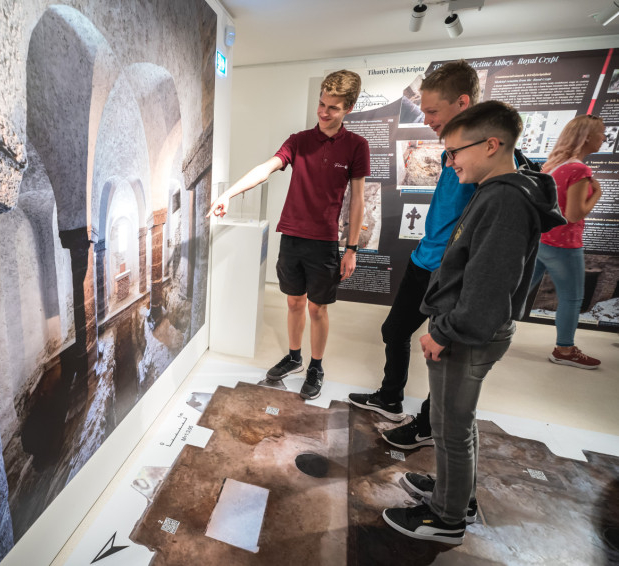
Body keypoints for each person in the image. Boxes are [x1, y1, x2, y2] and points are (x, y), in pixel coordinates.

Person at [382, 100, 565, 544]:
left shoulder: (504, 199)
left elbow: (488, 285)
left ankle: (445, 518)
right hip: (468, 328)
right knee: (457, 424)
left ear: (491, 145)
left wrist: (445, 331)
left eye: (455, 152)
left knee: (449, 429)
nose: (450, 162)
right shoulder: (499, 190)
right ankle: (456, 495)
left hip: (465, 332)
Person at [207, 70, 369, 400]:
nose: (324, 112)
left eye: (333, 108)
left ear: (349, 108)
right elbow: (266, 168)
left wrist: (352, 248)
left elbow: (357, 200)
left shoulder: (356, 146)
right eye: (321, 104)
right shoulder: (299, 140)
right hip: (292, 236)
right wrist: (229, 193)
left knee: (317, 309)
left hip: (324, 242)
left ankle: (316, 366)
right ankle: (295, 357)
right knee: (294, 302)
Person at [348, 60, 479, 449]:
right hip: (424, 260)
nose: (426, 118)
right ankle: (390, 398)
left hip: (449, 272)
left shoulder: (484, 157)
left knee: (442, 355)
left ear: (462, 102)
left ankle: (426, 425)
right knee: (394, 330)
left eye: (433, 110)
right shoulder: (452, 150)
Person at [529, 114, 604, 369]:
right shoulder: (579, 170)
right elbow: (573, 214)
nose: (604, 137)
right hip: (564, 244)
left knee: (519, 290)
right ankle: (564, 349)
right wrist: (597, 193)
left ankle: (487, 330)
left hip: (543, 240)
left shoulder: (554, 165)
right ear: (587, 137)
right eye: (601, 132)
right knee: (572, 298)